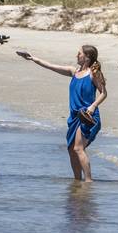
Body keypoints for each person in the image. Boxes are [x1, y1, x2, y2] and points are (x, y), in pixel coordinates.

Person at [17, 45, 107, 182]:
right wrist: (32, 58)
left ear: (87, 57)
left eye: (79, 54)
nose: (77, 55)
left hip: (88, 116)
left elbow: (104, 93)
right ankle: (77, 182)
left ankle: (89, 182)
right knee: (71, 150)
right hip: (75, 117)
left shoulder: (93, 73)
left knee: (78, 148)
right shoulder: (74, 71)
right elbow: (50, 66)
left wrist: (93, 106)